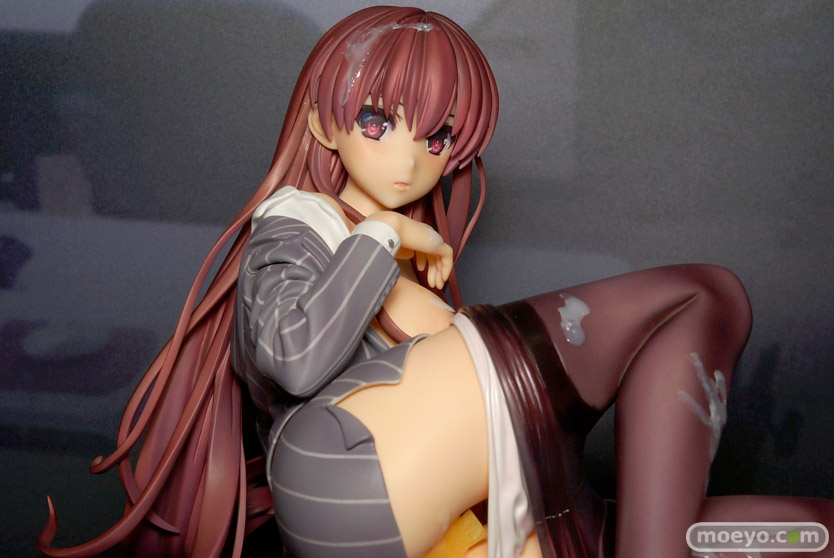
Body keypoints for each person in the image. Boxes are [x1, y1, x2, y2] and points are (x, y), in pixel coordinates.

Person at [38, 6, 833, 558]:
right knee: (703, 295)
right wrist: (382, 235)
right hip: (345, 465)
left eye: (439, 136)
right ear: (321, 123)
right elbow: (292, 357)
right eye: (378, 121)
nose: (410, 157)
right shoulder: (297, 223)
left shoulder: (383, 251)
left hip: (404, 499)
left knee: (760, 531)